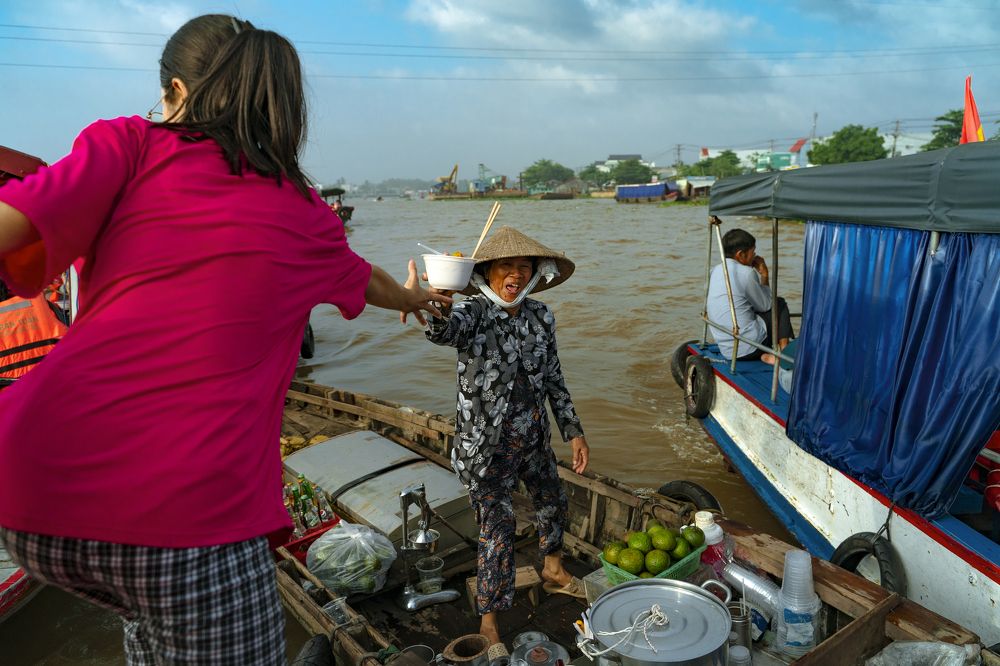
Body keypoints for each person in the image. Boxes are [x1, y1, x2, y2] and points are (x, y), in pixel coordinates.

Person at [0, 14, 446, 664]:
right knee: (179, 603)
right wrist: (413, 297)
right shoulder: (304, 212)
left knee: (151, 618)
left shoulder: (125, 143)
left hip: (27, 485)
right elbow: (371, 281)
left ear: (177, 92)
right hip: (189, 514)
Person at [406, 226, 590, 650]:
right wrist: (435, 302)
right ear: (485, 273)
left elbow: (555, 379)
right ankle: (489, 620)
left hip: (534, 439)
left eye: (523, 267)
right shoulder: (472, 315)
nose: (515, 274)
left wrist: (573, 430)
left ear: (536, 273)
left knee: (553, 500)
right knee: (499, 527)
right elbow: (442, 330)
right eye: (506, 266)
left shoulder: (540, 316)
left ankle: (554, 570)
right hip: (485, 450)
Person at [706, 228, 793, 361]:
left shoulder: (715, 270)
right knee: (779, 303)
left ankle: (765, 356)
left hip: (728, 350)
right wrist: (764, 274)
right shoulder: (746, 273)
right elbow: (766, 305)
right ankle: (783, 353)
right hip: (749, 347)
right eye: (753, 252)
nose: (755, 256)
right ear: (740, 255)